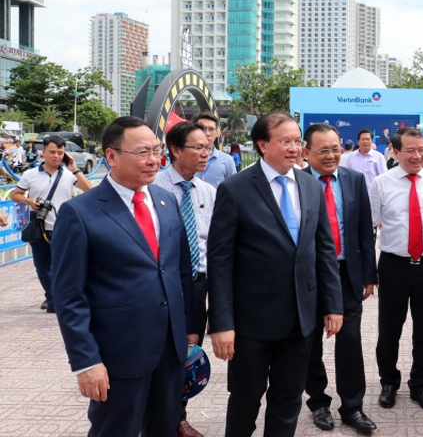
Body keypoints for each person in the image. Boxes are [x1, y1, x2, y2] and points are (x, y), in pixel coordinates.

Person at [51, 116, 197, 437]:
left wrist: (189, 334)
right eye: (143, 152)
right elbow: (68, 296)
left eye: (157, 151)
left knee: (164, 429)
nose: (154, 160)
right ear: (112, 157)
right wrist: (86, 362)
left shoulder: (165, 200)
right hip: (117, 356)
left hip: (169, 353)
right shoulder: (81, 213)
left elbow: (180, 273)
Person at [207, 112, 343, 437]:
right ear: (262, 144)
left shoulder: (310, 186)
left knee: (288, 400)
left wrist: (332, 304)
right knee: (245, 400)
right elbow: (220, 260)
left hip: (300, 320)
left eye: (298, 141)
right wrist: (222, 324)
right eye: (286, 141)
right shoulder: (235, 188)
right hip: (251, 323)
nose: (295, 148)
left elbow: (323, 250)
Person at [301, 123, 378, 433]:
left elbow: (364, 231)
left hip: (346, 274)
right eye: (323, 150)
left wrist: (369, 274)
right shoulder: (296, 182)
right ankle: (318, 402)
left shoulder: (354, 179)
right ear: (306, 153)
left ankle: (352, 407)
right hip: (308, 276)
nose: (332, 155)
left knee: (349, 341)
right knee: (310, 343)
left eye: (336, 148)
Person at [370, 127, 423, 413]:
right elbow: (369, 225)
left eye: (421, 150)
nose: (417, 156)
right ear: (395, 151)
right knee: (389, 329)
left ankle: (421, 384)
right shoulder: (380, 183)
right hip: (393, 265)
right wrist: (371, 269)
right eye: (410, 150)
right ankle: (389, 382)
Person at [153, 122, 217, 437]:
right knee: (159, 352)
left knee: (188, 353)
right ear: (176, 150)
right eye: (198, 148)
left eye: (208, 148)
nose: (206, 154)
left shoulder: (208, 192)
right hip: (162, 285)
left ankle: (178, 418)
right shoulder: (154, 188)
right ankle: (154, 417)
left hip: (197, 285)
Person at [12, 134, 93, 313]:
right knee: (42, 266)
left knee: (64, 265)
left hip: (64, 227)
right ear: (44, 152)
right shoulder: (30, 174)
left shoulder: (68, 175)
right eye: (52, 152)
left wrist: (75, 169)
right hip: (39, 227)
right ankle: (52, 298)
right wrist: (30, 201)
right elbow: (15, 195)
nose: (56, 156)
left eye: (60, 152)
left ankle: (57, 299)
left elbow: (90, 190)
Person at [193, 111, 237, 188]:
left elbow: (234, 189)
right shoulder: (185, 158)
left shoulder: (227, 161)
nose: (207, 133)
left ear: (216, 133)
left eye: (211, 129)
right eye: (202, 129)